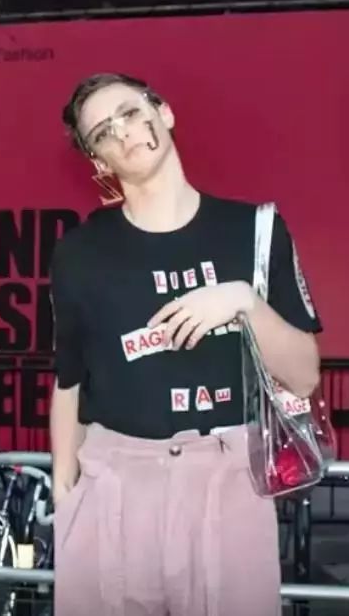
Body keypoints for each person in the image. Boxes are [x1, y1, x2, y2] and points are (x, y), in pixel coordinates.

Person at [48, 73, 323, 616]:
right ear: (98, 160)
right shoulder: (79, 253)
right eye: (102, 132)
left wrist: (242, 301)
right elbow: (68, 383)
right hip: (115, 482)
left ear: (164, 111)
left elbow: (305, 376)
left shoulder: (255, 230)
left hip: (229, 481)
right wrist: (65, 495)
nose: (123, 132)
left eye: (130, 112)